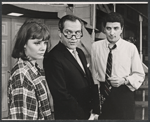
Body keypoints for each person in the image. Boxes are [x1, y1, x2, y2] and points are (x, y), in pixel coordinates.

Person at [43, 14, 100, 120]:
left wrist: (95, 109)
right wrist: (85, 116)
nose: (73, 38)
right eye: (68, 32)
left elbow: (89, 81)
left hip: (87, 112)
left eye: (77, 33)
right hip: (70, 116)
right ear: (60, 33)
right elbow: (61, 95)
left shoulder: (80, 52)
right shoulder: (53, 57)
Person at [91, 12, 145, 120]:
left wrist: (124, 80)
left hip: (124, 94)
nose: (112, 32)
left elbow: (139, 75)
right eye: (108, 28)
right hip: (103, 94)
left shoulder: (130, 48)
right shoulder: (95, 47)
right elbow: (93, 72)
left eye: (116, 28)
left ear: (122, 29)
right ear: (104, 29)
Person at [8, 19, 52, 120]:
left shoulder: (34, 69)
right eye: (37, 43)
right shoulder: (22, 75)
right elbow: (24, 117)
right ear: (24, 44)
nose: (43, 48)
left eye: (44, 43)